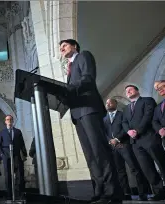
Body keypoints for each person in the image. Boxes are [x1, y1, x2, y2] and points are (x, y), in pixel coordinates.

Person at [59, 39, 122, 204]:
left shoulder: (83, 56)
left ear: (74, 46)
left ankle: (112, 192)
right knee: (90, 155)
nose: (62, 49)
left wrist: (68, 89)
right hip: (78, 114)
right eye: (60, 47)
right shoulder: (70, 68)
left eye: (64, 45)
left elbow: (88, 79)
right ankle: (99, 190)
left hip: (89, 109)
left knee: (99, 150)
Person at [122, 85, 165, 201]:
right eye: (126, 91)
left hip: (150, 138)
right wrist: (129, 131)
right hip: (135, 143)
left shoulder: (147, 100)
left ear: (137, 90)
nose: (128, 92)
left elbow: (148, 116)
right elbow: (124, 122)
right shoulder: (126, 108)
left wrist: (137, 130)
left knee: (162, 164)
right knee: (147, 168)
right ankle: (159, 192)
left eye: (130, 89)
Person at [103, 98, 148, 201]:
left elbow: (126, 128)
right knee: (120, 171)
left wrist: (117, 139)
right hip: (113, 148)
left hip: (125, 145)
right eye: (106, 103)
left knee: (134, 168)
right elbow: (104, 132)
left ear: (115, 103)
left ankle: (143, 193)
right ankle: (126, 193)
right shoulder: (104, 119)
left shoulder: (122, 114)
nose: (108, 104)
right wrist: (111, 141)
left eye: (110, 102)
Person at [0, 115, 27, 200]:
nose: (9, 121)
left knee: (19, 174)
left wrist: (24, 154)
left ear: (13, 121)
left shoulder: (18, 131)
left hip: (17, 155)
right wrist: (2, 154)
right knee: (8, 175)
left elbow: (22, 144)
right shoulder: (2, 132)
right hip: (6, 156)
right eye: (7, 119)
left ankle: (20, 193)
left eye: (10, 119)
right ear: (5, 121)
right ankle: (9, 195)